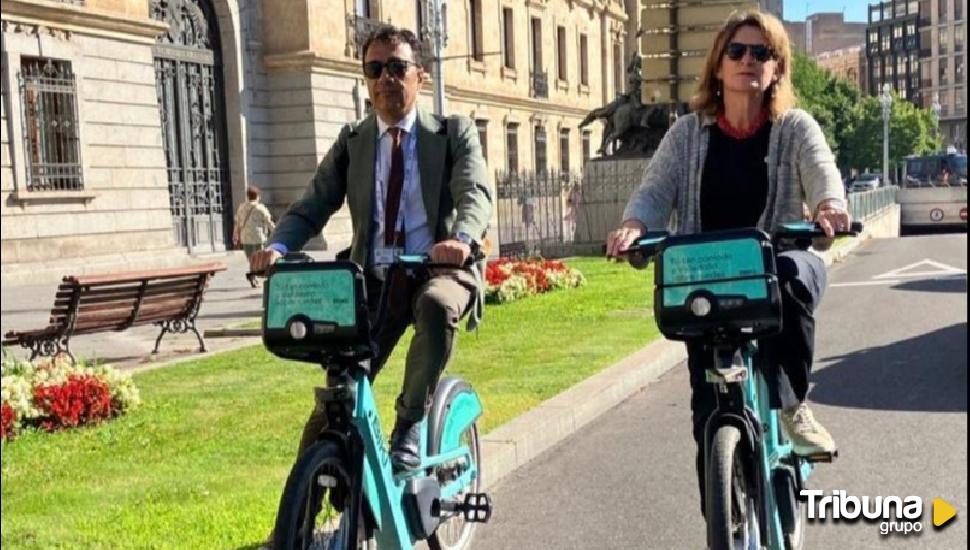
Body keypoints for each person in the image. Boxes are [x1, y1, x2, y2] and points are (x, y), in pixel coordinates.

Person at [605, 10, 851, 511]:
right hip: (707, 280)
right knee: (708, 413)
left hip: (777, 266)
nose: (747, 61)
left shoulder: (794, 128)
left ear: (777, 69)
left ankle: (792, 407)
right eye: (736, 51)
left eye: (762, 53)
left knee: (790, 276)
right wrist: (634, 226)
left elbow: (822, 171)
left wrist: (829, 206)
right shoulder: (686, 135)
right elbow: (653, 193)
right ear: (718, 66)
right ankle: (723, 520)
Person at [250, 25, 491, 471]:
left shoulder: (453, 133)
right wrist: (279, 246)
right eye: (375, 69)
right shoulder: (353, 141)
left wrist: (460, 239)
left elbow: (474, 191)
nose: (386, 79)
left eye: (398, 67)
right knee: (338, 398)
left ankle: (410, 421)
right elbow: (313, 203)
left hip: (436, 269)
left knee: (438, 306)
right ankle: (298, 521)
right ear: (366, 79)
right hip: (372, 281)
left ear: (420, 76)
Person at [233, 185, 276, 288]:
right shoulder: (260, 208)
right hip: (258, 237)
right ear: (258, 196)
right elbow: (269, 222)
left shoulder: (241, 207)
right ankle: (261, 276)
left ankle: (253, 276)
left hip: (246, 238)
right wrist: (275, 232)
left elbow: (237, 223)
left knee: (251, 259)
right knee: (261, 259)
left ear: (248, 196)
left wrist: (235, 235)